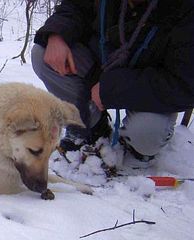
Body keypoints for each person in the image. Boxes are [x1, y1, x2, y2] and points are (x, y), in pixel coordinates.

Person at [31, 0, 194, 168]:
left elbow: (184, 84)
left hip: (151, 84)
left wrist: (113, 89)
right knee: (42, 55)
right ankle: (91, 126)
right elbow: (75, 7)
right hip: (100, 62)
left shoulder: (185, 9)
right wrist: (57, 35)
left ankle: (134, 145)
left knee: (147, 135)